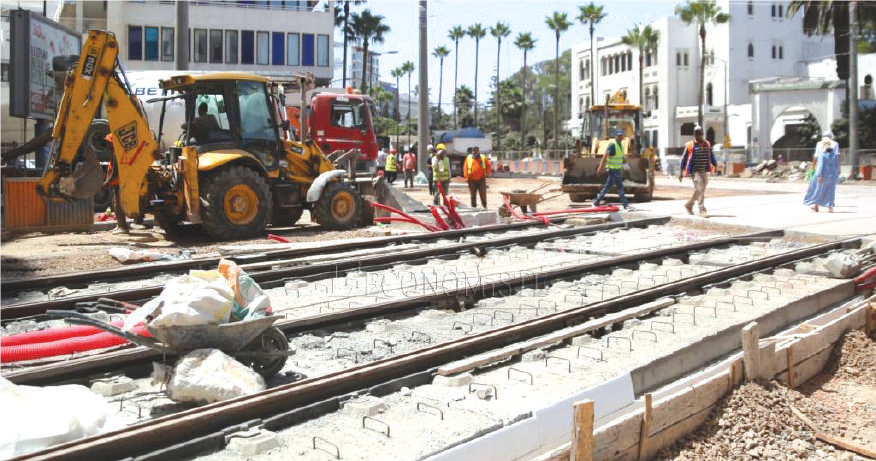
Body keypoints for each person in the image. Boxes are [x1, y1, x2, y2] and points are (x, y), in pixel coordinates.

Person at [678, 126, 718, 216]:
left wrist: (715, 164)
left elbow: (711, 155)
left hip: (704, 171)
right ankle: (702, 210)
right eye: (695, 134)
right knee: (700, 189)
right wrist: (681, 172)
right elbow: (684, 159)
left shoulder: (707, 144)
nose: (697, 136)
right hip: (695, 172)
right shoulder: (690, 145)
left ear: (702, 134)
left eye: (699, 134)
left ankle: (689, 204)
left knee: (700, 190)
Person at [593, 128, 631, 211]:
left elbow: (621, 156)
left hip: (617, 169)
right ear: (616, 136)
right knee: (620, 187)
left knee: (607, 186)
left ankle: (596, 201)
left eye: (621, 135)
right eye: (619, 136)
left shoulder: (620, 144)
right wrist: (600, 168)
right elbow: (605, 156)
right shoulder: (612, 145)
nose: (620, 137)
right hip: (613, 169)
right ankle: (625, 204)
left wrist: (625, 165)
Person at [803, 132, 840, 213]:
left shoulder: (819, 144)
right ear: (831, 137)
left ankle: (815, 205)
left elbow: (817, 157)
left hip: (821, 170)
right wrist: (838, 169)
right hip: (832, 171)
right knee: (830, 189)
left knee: (817, 188)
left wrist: (813, 167)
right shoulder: (835, 144)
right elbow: (837, 157)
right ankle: (829, 207)